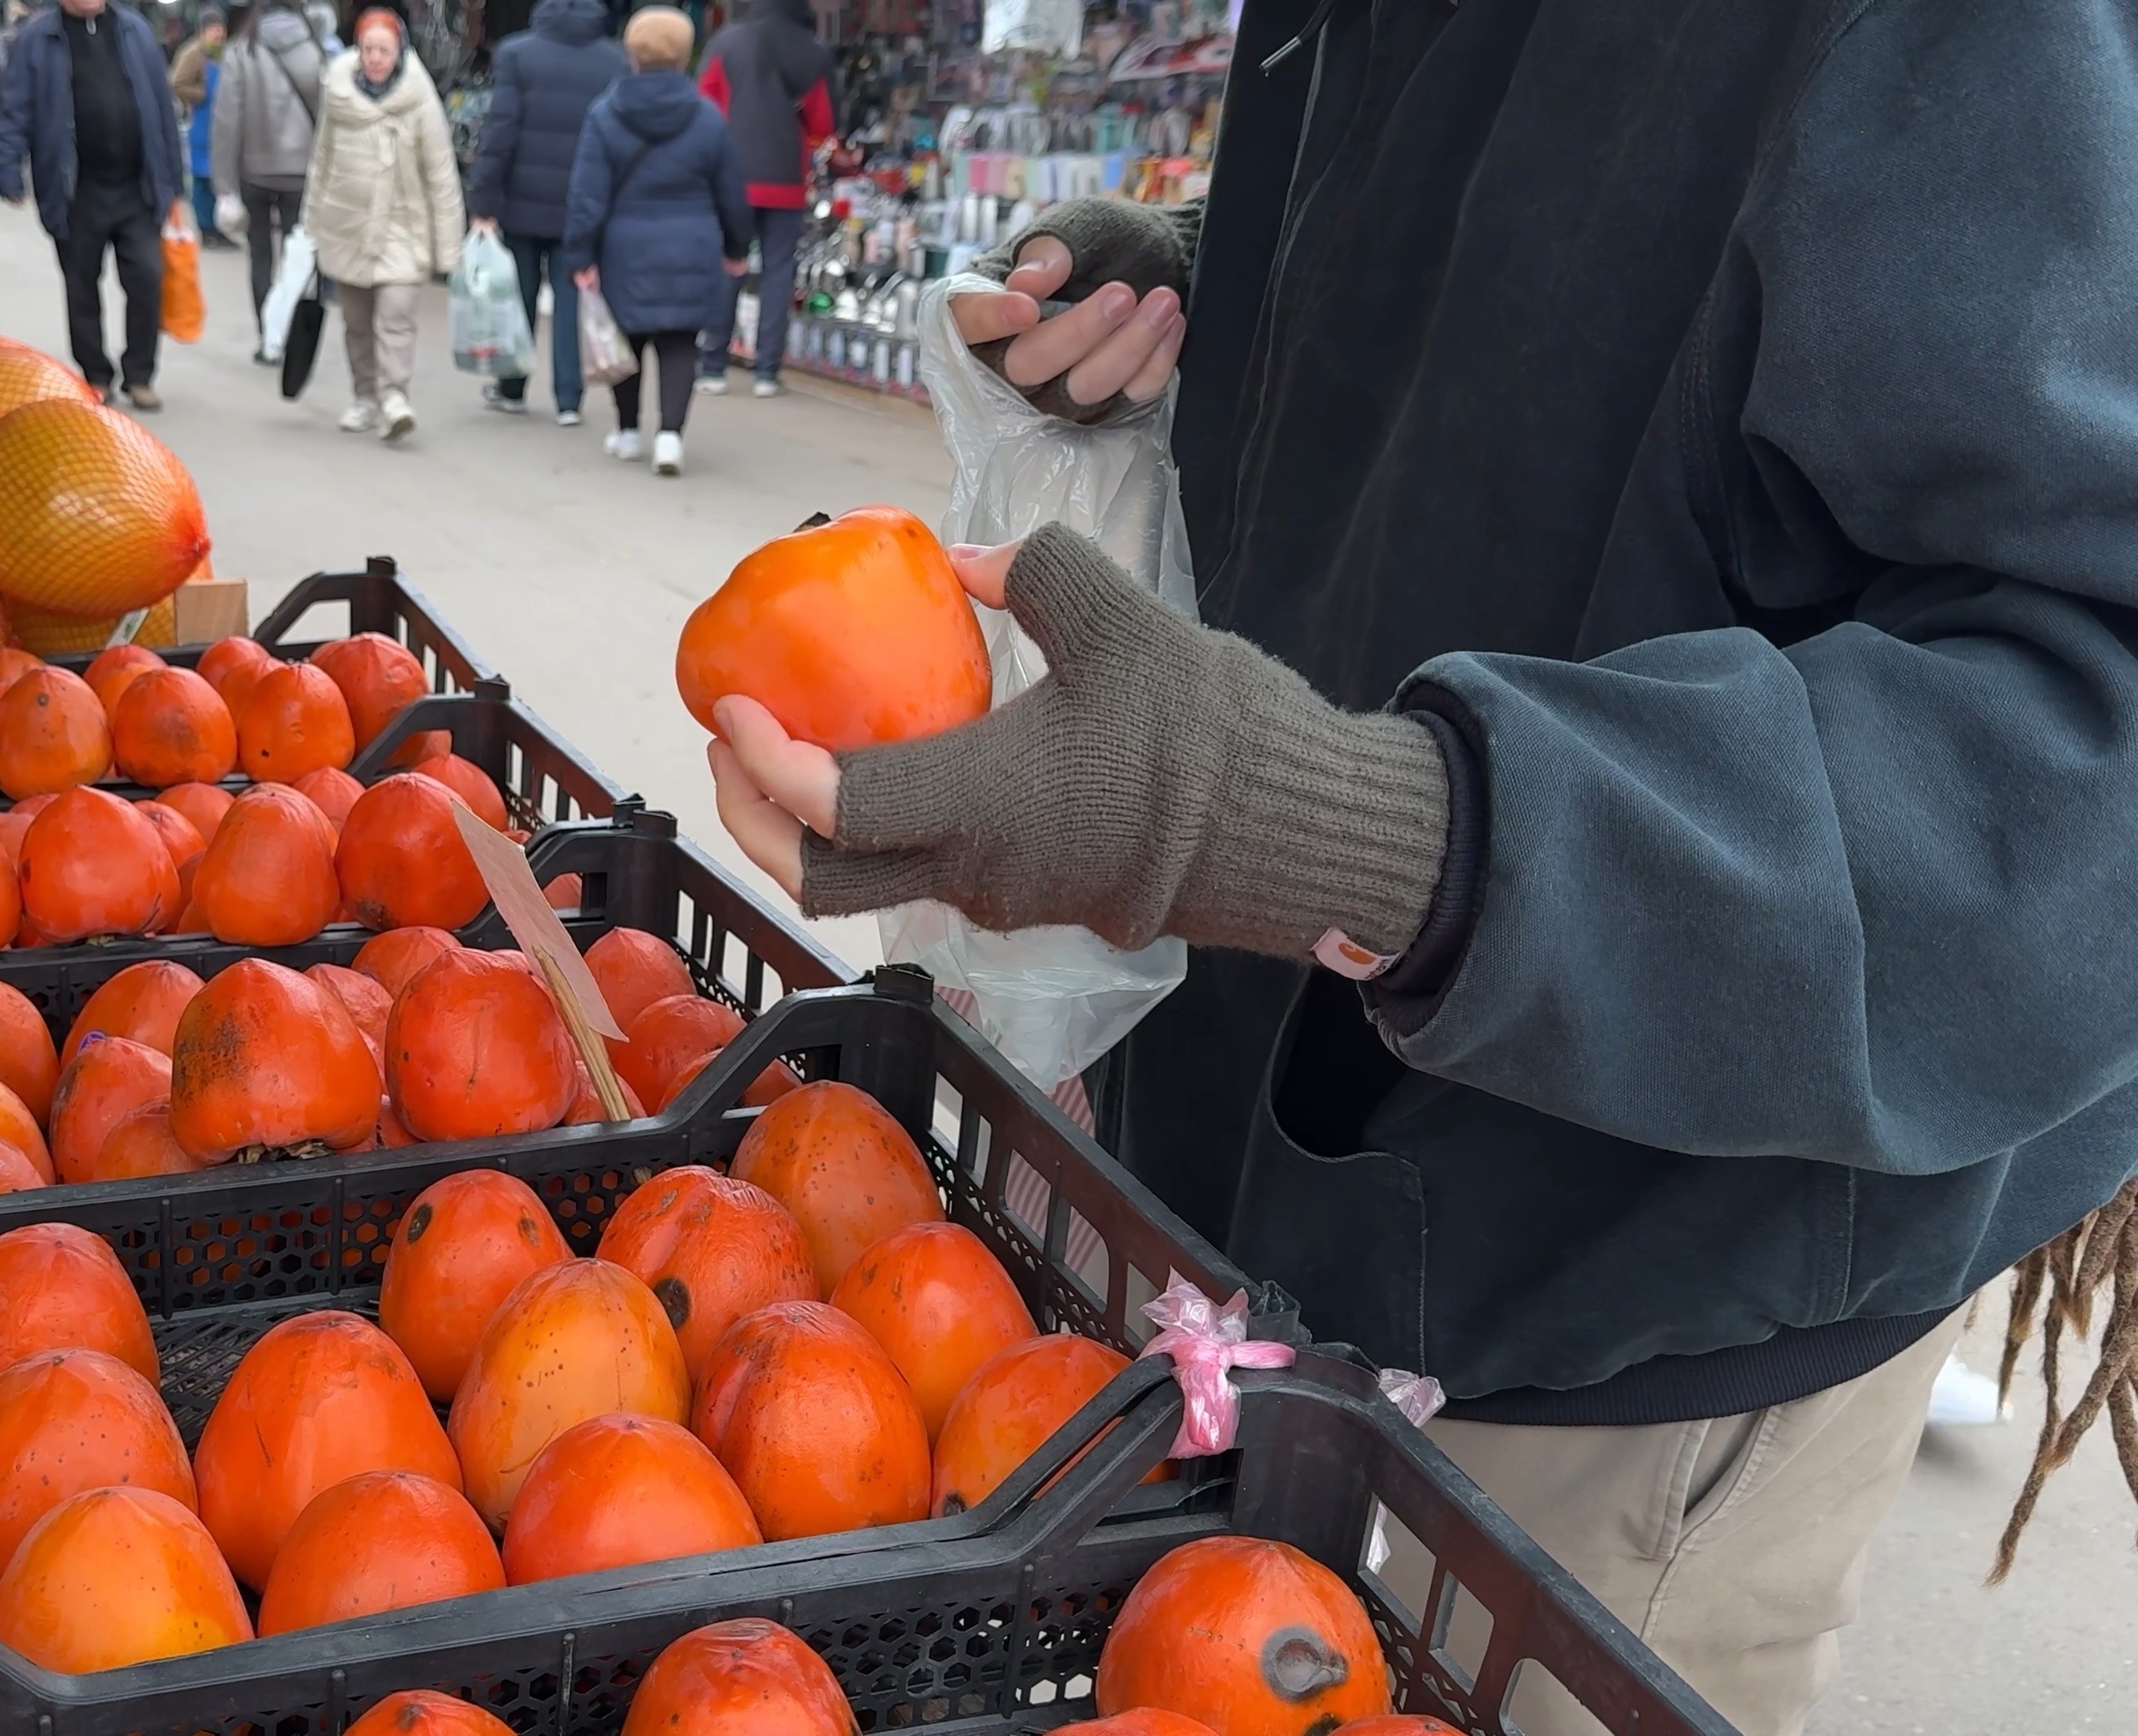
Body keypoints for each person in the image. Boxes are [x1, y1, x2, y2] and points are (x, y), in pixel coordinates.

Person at [701, 6, 2138, 1734]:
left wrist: (1370, 829)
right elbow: (1618, 293)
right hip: (1262, 1203)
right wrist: (1228, 310)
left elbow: (2083, 771)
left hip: (1622, 1311)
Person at [563, 7, 746, 477]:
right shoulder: (707, 117)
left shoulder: (605, 113)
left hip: (624, 248)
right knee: (680, 342)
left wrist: (580, 254)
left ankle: (627, 432)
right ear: (685, 54)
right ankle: (670, 438)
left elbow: (587, 194)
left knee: (630, 340)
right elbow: (731, 191)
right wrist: (737, 248)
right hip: (693, 245)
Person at [0, 0, 183, 407]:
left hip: (136, 189)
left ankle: (140, 374)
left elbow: (161, 107)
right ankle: (96, 374)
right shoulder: (38, 40)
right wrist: (5, 170)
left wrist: (172, 182)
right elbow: (14, 109)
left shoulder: (135, 31)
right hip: (76, 191)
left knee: (147, 280)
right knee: (81, 289)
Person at [300, 9, 460, 442]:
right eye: (368, 49)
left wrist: (448, 248)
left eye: (383, 50)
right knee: (357, 323)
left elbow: (441, 172)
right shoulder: (339, 95)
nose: (375, 58)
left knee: (396, 316)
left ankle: (394, 398)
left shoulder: (419, 99)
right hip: (347, 225)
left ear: (399, 52)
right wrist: (310, 225)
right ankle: (365, 398)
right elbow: (323, 159)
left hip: (403, 227)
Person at [465, 0, 625, 425]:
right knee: (574, 296)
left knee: (518, 295)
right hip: (583, 203)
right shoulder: (616, 61)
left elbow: (500, 130)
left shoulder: (517, 53)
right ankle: (569, 400)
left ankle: (513, 386)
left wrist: (483, 200)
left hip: (521, 199)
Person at [691, 0, 827, 397]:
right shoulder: (812, 49)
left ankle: (713, 365)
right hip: (787, 175)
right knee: (779, 270)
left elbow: (705, 102)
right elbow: (822, 121)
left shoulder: (727, 41)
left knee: (730, 263)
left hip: (733, 174)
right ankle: (767, 371)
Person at [210, 0, 325, 360]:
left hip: (254, 172)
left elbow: (227, 121)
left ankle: (269, 339)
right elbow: (328, 117)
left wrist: (224, 186)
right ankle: (295, 339)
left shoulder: (242, 50)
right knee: (302, 259)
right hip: (302, 173)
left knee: (261, 258)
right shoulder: (314, 49)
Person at [170, 16, 233, 248]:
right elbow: (177, 82)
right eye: (215, 29)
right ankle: (206, 228)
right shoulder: (194, 53)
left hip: (222, 124)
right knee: (201, 178)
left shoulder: (225, 53)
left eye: (222, 28)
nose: (220, 34)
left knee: (217, 177)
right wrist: (202, 95)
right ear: (203, 31)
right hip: (201, 122)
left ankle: (217, 227)